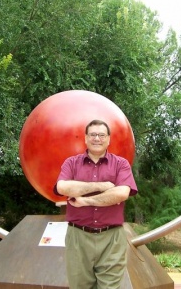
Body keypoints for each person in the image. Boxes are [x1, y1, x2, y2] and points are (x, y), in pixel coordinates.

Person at [54, 119, 138, 289]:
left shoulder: (121, 164)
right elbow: (62, 187)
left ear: (109, 139)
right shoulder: (71, 163)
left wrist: (85, 199)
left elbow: (122, 193)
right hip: (78, 237)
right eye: (92, 135)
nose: (97, 139)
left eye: (101, 135)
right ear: (85, 138)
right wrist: (101, 186)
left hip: (112, 238)